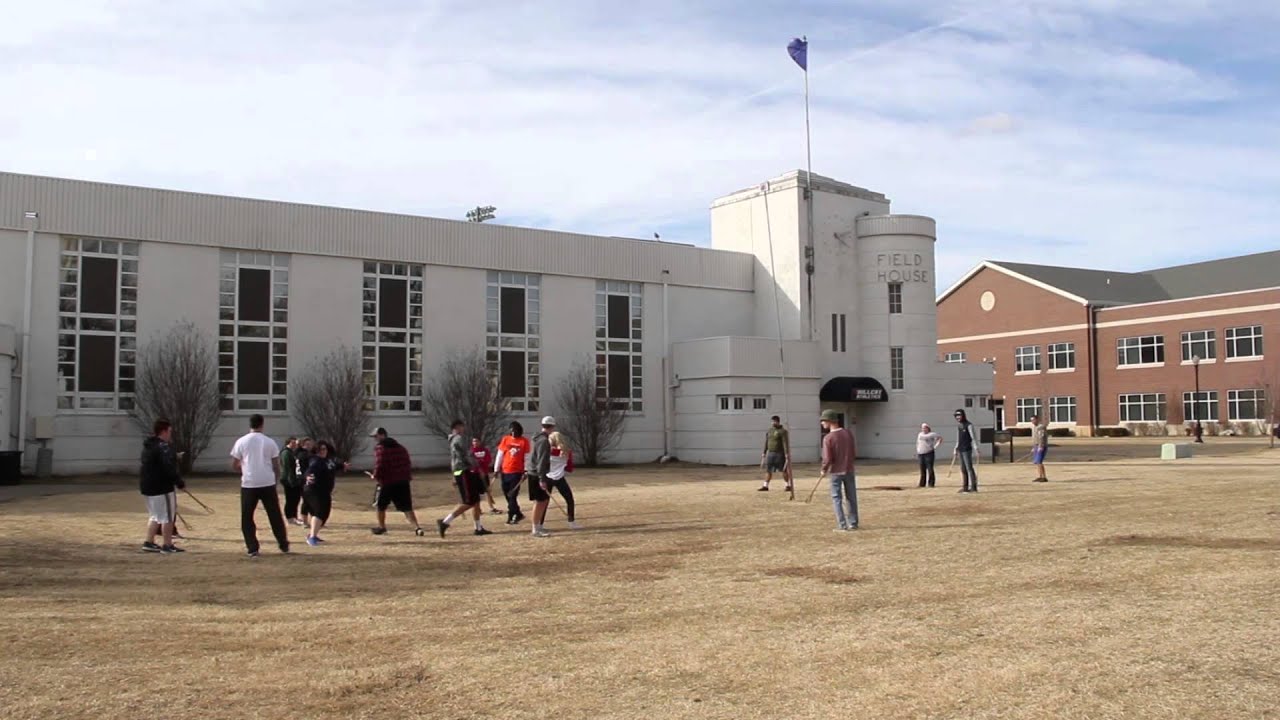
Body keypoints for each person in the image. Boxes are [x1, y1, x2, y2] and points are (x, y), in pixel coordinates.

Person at [230, 414, 288, 557]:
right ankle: (283, 543)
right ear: (262, 424)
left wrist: (244, 470)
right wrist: (275, 479)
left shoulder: (241, 441)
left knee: (247, 516)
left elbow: (234, 464)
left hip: (249, 483)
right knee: (274, 514)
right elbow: (276, 465)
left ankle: (252, 547)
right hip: (267, 482)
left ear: (250, 425)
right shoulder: (269, 442)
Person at [436, 420, 493, 538]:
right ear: (457, 427)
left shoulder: (453, 440)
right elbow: (466, 455)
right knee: (469, 501)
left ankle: (478, 527)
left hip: (463, 471)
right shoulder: (459, 439)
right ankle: (445, 521)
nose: (464, 429)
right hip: (464, 471)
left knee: (476, 499)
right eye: (462, 427)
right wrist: (476, 467)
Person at [368, 427, 426, 536]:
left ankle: (382, 527)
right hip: (403, 481)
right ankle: (417, 528)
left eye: (376, 436)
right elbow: (407, 463)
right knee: (407, 507)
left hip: (387, 482)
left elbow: (380, 464)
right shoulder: (401, 447)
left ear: (382, 435)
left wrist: (375, 476)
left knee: (380, 505)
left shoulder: (380, 448)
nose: (375, 439)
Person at [140, 419, 185, 554]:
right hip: (162, 487)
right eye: (170, 431)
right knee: (168, 516)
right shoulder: (163, 446)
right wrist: (179, 482)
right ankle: (167, 545)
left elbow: (157, 463)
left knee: (155, 515)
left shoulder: (149, 446)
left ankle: (149, 542)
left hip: (147, 486)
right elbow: (168, 467)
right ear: (164, 431)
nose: (170, 434)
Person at [302, 440, 349, 546]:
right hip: (314, 491)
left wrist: (342, 466)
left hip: (324, 492)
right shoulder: (316, 461)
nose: (323, 451)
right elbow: (309, 470)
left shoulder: (328, 460)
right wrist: (308, 476)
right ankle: (312, 537)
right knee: (319, 512)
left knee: (324, 514)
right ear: (316, 451)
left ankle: (312, 534)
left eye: (324, 449)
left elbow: (333, 466)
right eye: (320, 450)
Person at [818, 409, 858, 531]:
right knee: (851, 497)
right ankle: (853, 523)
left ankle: (842, 525)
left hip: (836, 471)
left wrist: (823, 469)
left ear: (830, 421)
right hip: (849, 469)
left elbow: (827, 458)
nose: (822, 423)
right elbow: (853, 452)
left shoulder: (828, 438)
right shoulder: (848, 433)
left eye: (823, 421)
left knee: (837, 498)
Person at [495, 421, 531, 525]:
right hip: (505, 471)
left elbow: (527, 457)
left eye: (515, 430)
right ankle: (518, 513)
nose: (513, 432)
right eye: (512, 430)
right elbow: (500, 454)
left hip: (517, 472)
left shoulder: (524, 441)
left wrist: (526, 470)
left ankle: (511, 515)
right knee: (507, 493)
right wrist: (496, 469)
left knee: (512, 494)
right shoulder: (505, 439)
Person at [526, 416, 556, 538]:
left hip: (533, 472)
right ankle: (535, 529)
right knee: (539, 502)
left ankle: (538, 526)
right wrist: (542, 479)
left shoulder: (535, 438)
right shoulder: (543, 441)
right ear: (552, 427)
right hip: (537, 474)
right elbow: (541, 460)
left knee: (543, 501)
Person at [547, 430, 582, 530]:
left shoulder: (547, 451)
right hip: (559, 478)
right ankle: (572, 522)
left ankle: (539, 524)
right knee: (569, 500)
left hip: (547, 477)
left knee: (544, 502)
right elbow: (569, 468)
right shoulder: (567, 452)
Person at [757, 415, 792, 493]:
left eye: (774, 421)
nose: (773, 423)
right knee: (768, 470)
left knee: (783, 470)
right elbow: (766, 442)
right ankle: (765, 486)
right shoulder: (770, 431)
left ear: (778, 421)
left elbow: (785, 443)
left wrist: (786, 453)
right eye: (772, 421)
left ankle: (788, 485)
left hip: (779, 454)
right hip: (771, 453)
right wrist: (764, 452)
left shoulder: (783, 431)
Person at [471, 437, 502, 515]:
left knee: (487, 491)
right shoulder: (471, 451)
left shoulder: (485, 450)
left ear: (480, 442)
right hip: (475, 474)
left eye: (477, 441)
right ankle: (478, 509)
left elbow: (488, 460)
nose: (475, 442)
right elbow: (472, 462)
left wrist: (481, 462)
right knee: (477, 492)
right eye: (474, 441)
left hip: (484, 473)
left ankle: (492, 508)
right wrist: (479, 462)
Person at [280, 437, 306, 527]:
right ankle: (289, 517)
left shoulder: (292, 453)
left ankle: (294, 516)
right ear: (288, 443)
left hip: (294, 479)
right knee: (290, 499)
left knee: (296, 499)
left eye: (295, 443)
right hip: (288, 480)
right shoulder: (286, 453)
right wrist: (292, 481)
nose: (295, 444)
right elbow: (288, 468)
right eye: (293, 443)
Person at [953, 409, 980, 493]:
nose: (958, 417)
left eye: (959, 415)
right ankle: (965, 487)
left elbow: (973, 437)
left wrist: (976, 448)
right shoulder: (959, 426)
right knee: (963, 469)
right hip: (960, 449)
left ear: (963, 416)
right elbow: (958, 438)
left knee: (969, 468)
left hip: (967, 449)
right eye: (956, 416)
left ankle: (974, 487)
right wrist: (956, 448)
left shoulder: (969, 425)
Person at [294, 437, 314, 527]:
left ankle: (313, 520)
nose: (309, 446)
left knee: (310, 500)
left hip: (301, 478)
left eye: (310, 444)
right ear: (303, 445)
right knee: (306, 501)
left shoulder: (298, 453)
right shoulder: (304, 455)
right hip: (303, 479)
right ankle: (305, 521)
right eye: (307, 444)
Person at [916, 423, 943, 488]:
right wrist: (917, 449)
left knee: (930, 469)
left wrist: (935, 446)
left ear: (928, 428)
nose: (924, 429)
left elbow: (940, 438)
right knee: (922, 469)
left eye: (925, 428)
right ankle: (922, 484)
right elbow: (918, 442)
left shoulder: (932, 434)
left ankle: (931, 483)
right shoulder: (920, 434)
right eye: (922, 428)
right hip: (921, 454)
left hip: (929, 453)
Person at [1030, 415, 1049, 482]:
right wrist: (1033, 447)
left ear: (1037, 419)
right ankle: (1040, 476)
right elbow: (1035, 438)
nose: (1032, 421)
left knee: (1039, 461)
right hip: (1036, 446)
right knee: (1037, 462)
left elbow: (1041, 437)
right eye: (1031, 420)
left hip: (1041, 446)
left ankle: (1044, 477)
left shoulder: (1041, 427)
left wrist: (1041, 446)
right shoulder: (1034, 427)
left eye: (1033, 420)